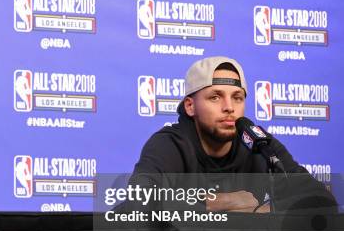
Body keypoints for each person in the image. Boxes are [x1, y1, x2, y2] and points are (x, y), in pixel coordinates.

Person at [128, 56, 336, 214]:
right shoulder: (171, 143)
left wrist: (266, 210)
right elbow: (139, 199)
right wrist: (223, 202)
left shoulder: (259, 143)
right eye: (215, 97)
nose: (229, 107)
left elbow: (320, 199)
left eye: (237, 98)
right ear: (190, 106)